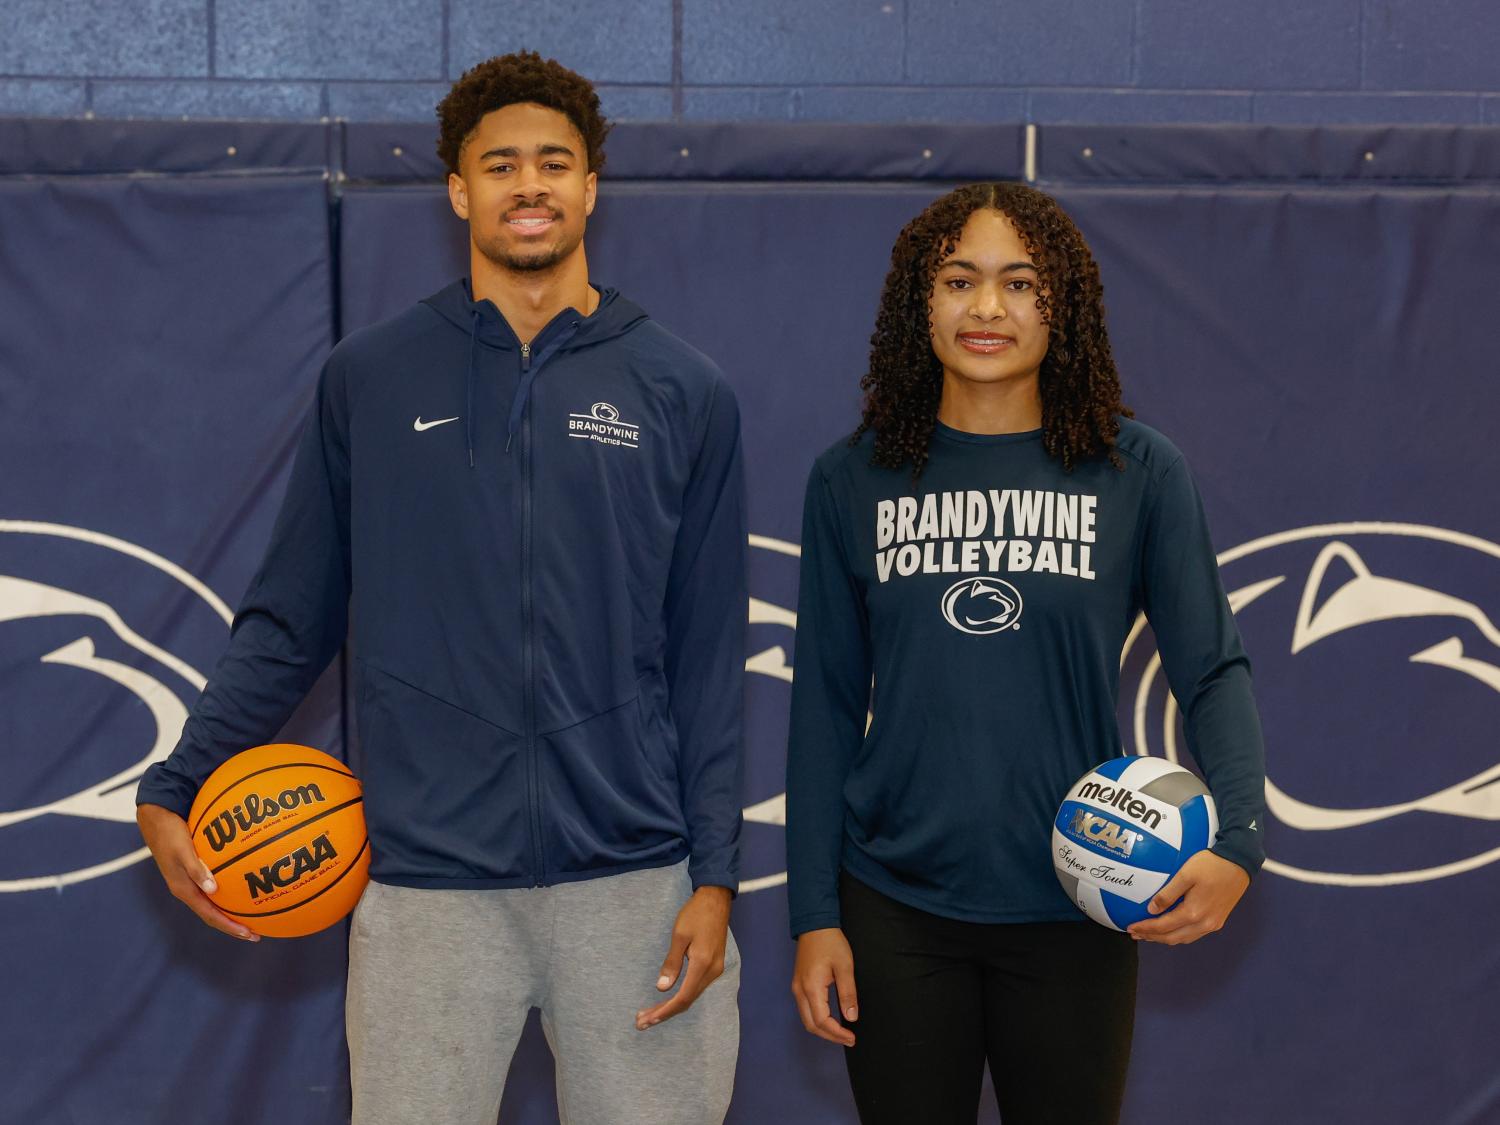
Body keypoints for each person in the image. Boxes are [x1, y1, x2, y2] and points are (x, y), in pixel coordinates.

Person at [135, 51, 745, 1125]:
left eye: (554, 163)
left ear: (592, 185)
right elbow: (291, 617)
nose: (529, 185)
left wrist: (715, 878)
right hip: (427, 892)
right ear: (458, 190)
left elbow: (705, 655)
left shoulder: (682, 389)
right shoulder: (371, 379)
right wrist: (178, 779)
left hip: (635, 885)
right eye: (499, 164)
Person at [785, 182, 1266, 1125]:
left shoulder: (1137, 470)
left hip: (1078, 901)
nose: (988, 308)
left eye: (1020, 282)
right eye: (959, 280)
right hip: (894, 906)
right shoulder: (855, 476)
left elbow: (1210, 668)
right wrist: (815, 915)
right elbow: (826, 707)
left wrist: (1240, 839)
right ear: (918, 302)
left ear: (1065, 305)